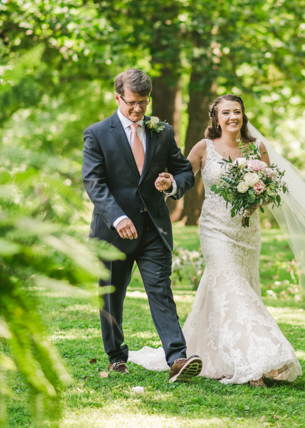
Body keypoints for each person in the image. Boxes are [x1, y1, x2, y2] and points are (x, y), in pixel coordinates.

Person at [129, 93, 305, 384]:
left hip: (247, 231)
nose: (233, 117)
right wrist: (168, 185)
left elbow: (269, 189)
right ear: (216, 118)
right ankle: (258, 359)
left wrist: (256, 198)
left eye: (238, 112)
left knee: (234, 289)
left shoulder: (257, 148)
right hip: (215, 229)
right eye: (227, 112)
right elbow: (185, 178)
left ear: (243, 116)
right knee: (230, 285)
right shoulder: (204, 147)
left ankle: (213, 353)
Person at [82, 68, 202, 383]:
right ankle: (117, 358)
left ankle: (177, 358)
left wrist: (172, 182)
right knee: (111, 295)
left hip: (153, 229)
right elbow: (93, 182)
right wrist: (117, 217)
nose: (138, 110)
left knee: (161, 291)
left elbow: (185, 171)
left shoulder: (161, 130)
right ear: (118, 97)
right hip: (112, 231)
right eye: (132, 103)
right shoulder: (96, 133)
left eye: (143, 103)